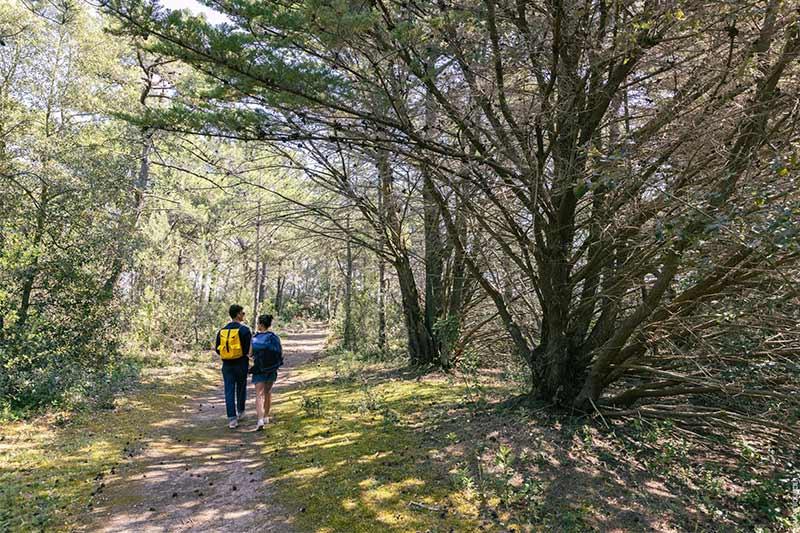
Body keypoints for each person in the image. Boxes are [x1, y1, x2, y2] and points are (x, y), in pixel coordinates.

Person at [215, 304, 251, 429]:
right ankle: (241, 412)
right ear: (237, 314)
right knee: (241, 388)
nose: (244, 315)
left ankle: (232, 419)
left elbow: (217, 349)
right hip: (241, 364)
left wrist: (227, 355)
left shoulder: (222, 331)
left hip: (226, 365)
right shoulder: (245, 330)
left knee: (228, 390)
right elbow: (247, 350)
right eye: (243, 313)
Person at [249, 314, 283, 431]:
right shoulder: (274, 337)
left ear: (261, 325)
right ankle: (266, 416)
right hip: (272, 369)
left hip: (259, 369)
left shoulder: (254, 338)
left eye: (258, 323)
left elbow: (250, 354)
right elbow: (280, 354)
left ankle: (259, 420)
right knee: (268, 392)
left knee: (259, 394)